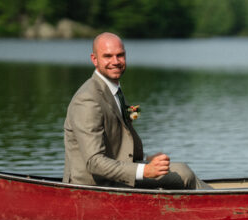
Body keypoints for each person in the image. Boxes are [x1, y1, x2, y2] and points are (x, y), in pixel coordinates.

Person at [63, 32, 209, 189]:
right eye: (108, 56)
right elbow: (94, 162)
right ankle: (224, 204)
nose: (115, 61)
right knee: (183, 173)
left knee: (182, 172)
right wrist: (144, 170)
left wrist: (146, 160)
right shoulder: (87, 100)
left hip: (116, 176)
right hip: (91, 186)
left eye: (120, 55)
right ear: (94, 60)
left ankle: (217, 204)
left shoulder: (113, 90)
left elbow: (119, 145)